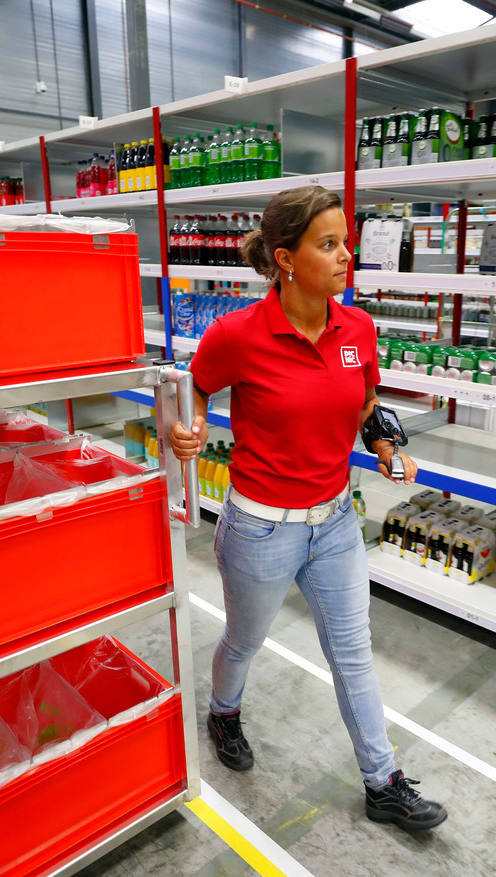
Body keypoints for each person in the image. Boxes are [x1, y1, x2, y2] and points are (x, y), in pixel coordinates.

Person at [169, 186, 447, 830]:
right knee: (244, 639)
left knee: (353, 653)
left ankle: (383, 781)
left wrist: (383, 445)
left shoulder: (359, 328)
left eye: (346, 241)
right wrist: (183, 431)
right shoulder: (236, 334)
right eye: (330, 245)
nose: (347, 256)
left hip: (336, 523)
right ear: (287, 258)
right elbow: (192, 393)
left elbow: (365, 402)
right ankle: (224, 712)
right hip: (259, 528)